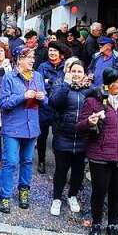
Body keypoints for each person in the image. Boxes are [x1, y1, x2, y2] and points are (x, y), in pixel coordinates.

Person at [77, 68, 118, 235]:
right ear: (108, 83)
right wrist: (89, 122)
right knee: (99, 192)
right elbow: (79, 126)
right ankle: (96, 223)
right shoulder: (92, 102)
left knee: (116, 193)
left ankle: (113, 225)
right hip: (100, 156)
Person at [0, 47, 47, 213]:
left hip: (31, 127)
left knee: (27, 161)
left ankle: (24, 191)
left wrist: (42, 97)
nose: (32, 60)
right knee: (10, 162)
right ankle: (5, 196)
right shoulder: (9, 77)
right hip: (13, 128)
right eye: (28, 57)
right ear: (19, 60)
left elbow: (45, 99)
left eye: (33, 57)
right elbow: (3, 103)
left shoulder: (38, 76)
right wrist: (23, 96)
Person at [49, 57, 93, 216]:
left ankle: (72, 195)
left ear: (84, 74)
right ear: (67, 72)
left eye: (79, 71)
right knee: (60, 170)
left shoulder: (89, 89)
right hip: (63, 135)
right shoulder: (60, 85)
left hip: (82, 138)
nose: (76, 73)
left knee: (78, 171)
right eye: (73, 70)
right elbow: (54, 102)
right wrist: (66, 84)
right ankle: (57, 198)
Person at [35, 42, 69, 174]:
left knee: (58, 135)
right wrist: (51, 83)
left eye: (55, 51)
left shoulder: (65, 67)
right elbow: (38, 82)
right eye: (50, 51)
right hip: (44, 105)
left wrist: (49, 82)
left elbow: (65, 84)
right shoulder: (43, 66)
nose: (52, 53)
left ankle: (59, 163)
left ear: (60, 53)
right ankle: (42, 160)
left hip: (59, 105)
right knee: (42, 136)